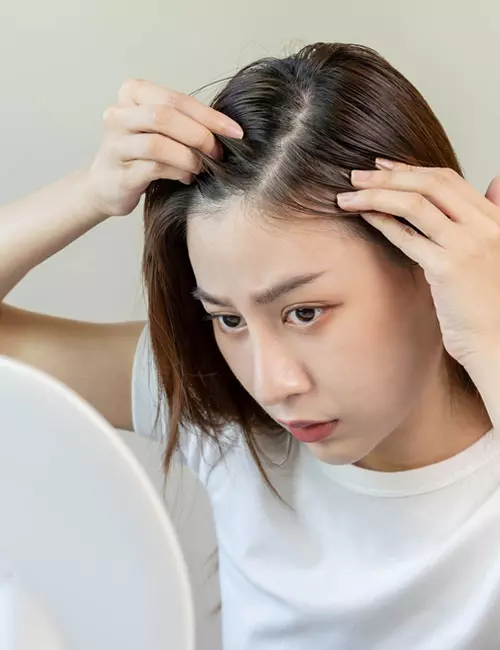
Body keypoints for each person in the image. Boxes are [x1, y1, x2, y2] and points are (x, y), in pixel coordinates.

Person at [1, 41, 500, 649]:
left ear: (428, 263)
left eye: (304, 312)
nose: (270, 384)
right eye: (228, 319)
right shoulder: (222, 413)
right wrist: (90, 192)